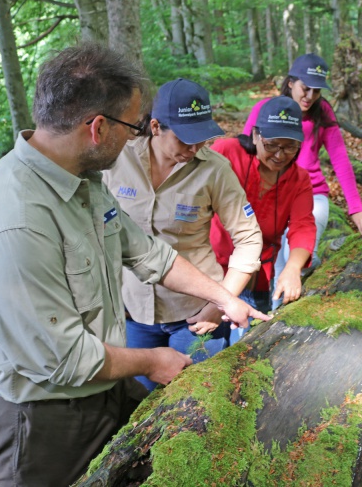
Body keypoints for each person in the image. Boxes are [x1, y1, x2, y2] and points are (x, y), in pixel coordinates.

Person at [0, 43, 270, 487]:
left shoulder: (83, 182)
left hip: (102, 387)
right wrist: (151, 360)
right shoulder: (15, 223)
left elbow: (145, 252)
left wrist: (223, 297)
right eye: (135, 125)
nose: (136, 137)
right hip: (42, 421)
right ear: (98, 127)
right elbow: (61, 359)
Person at [104, 78, 263, 391]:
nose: (194, 148)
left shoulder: (215, 170)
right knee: (141, 410)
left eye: (201, 139)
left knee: (197, 402)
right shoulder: (115, 162)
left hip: (196, 316)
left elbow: (249, 239)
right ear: (155, 126)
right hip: (133, 316)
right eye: (185, 139)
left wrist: (221, 301)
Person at [240, 53, 362, 307]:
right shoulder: (266, 110)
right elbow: (245, 150)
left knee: (296, 261)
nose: (310, 96)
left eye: (317, 90)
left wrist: (355, 206)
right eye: (305, 88)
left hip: (312, 194)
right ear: (290, 82)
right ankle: (274, 322)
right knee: (276, 268)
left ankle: (308, 266)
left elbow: (340, 158)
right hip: (272, 197)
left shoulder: (322, 112)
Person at [210, 96, 316, 332]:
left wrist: (292, 268)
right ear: (256, 135)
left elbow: (303, 226)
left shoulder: (299, 179)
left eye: (289, 147)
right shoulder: (227, 153)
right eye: (271, 145)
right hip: (211, 272)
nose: (280, 155)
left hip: (255, 279)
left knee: (245, 349)